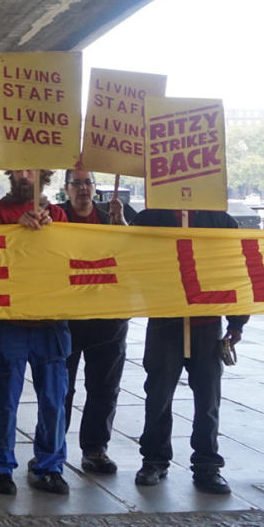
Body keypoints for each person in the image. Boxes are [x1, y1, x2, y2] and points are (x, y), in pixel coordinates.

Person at [132, 207, 248, 495]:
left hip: (206, 325)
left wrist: (237, 321)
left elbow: (237, 269)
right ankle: (154, 459)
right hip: (164, 322)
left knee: (208, 398)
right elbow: (128, 253)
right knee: (158, 394)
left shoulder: (220, 221)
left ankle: (207, 465)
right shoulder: (151, 217)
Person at [0, 169, 70, 496]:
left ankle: (49, 466)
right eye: (18, 169)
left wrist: (51, 231)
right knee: (3, 401)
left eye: (30, 170)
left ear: (43, 175)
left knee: (54, 401)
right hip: (10, 322)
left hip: (52, 323)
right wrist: (15, 231)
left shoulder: (59, 215)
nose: (23, 175)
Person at [58, 168, 128, 475]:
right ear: (66, 188)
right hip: (66, 318)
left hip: (108, 318)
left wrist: (122, 222)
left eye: (88, 182)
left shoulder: (114, 216)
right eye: (77, 183)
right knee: (59, 387)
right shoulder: (54, 217)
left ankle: (96, 449)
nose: (83, 188)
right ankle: (52, 447)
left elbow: (135, 252)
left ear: (96, 187)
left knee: (104, 386)